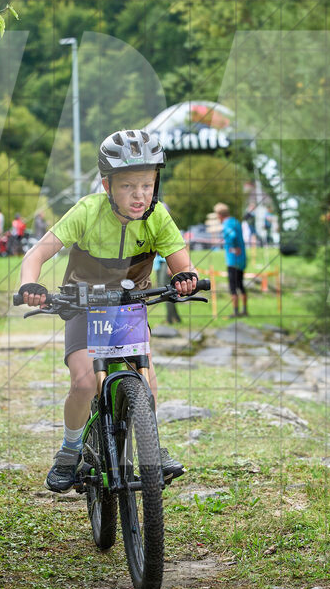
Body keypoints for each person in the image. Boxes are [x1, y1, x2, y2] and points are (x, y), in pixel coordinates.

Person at [19, 129, 198, 493]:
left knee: (147, 381)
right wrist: (30, 285)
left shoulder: (157, 217)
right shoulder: (86, 211)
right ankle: (70, 450)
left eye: (147, 185)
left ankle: (150, 446)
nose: (139, 195)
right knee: (85, 382)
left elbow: (183, 266)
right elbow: (35, 254)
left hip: (131, 307)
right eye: (128, 186)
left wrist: (186, 279)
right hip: (83, 305)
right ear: (107, 185)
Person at [215, 202, 247, 317]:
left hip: (233, 260)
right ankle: (244, 311)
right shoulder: (236, 221)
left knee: (233, 288)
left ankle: (235, 312)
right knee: (241, 286)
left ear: (219, 215)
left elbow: (231, 236)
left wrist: (231, 246)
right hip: (242, 259)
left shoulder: (226, 223)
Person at [153, 253, 182, 324]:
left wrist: (170, 266)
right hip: (159, 261)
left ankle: (170, 319)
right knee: (165, 292)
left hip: (166, 262)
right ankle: (176, 317)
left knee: (167, 292)